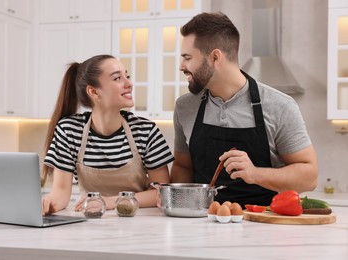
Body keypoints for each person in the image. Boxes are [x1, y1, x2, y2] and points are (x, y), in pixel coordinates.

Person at [170, 12, 318, 207]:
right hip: (200, 225)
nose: (182, 66)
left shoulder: (280, 106)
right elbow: (182, 166)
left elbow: (309, 177)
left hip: (261, 225)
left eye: (187, 58)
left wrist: (255, 174)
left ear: (215, 57)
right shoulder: (185, 107)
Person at [42, 55, 174, 215]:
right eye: (118, 78)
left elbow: (161, 193)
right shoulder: (69, 131)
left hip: (139, 221)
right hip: (91, 222)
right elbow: (60, 193)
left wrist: (112, 201)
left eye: (127, 76)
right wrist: (49, 204)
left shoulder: (145, 131)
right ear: (93, 91)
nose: (129, 84)